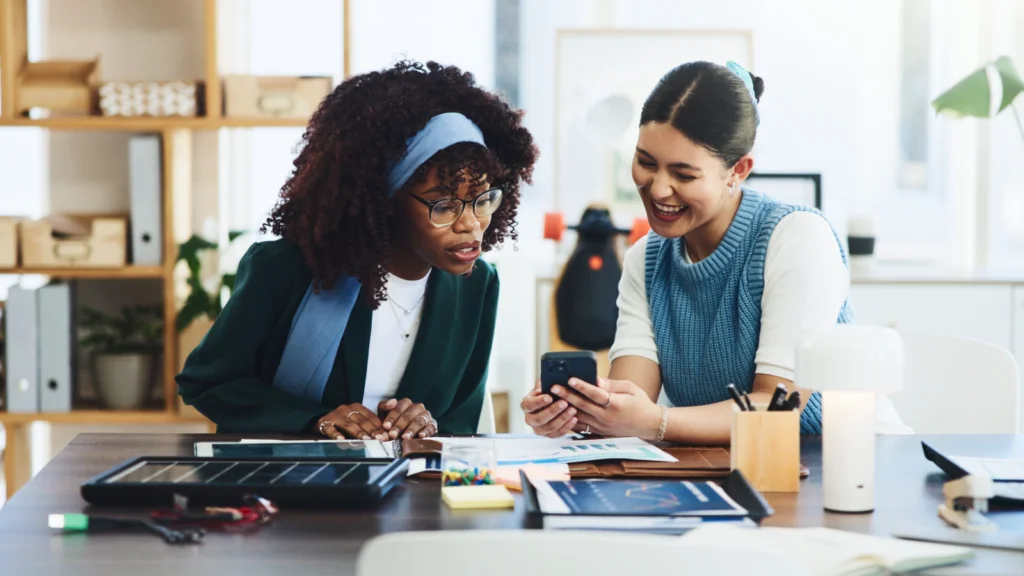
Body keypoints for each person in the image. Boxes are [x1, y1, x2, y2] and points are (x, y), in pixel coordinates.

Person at [522, 60, 907, 444]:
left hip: (849, 462)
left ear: (738, 170)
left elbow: (776, 411)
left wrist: (657, 422)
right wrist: (582, 413)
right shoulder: (646, 259)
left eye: (684, 175)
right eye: (645, 162)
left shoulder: (797, 238)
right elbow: (630, 406)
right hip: (730, 466)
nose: (657, 189)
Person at [178, 60, 537, 440]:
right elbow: (209, 384)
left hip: (412, 490)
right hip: (291, 486)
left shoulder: (476, 284)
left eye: (483, 199)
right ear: (386, 201)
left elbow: (462, 416)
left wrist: (427, 425)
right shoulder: (287, 268)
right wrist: (314, 419)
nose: (470, 223)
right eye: (444, 206)